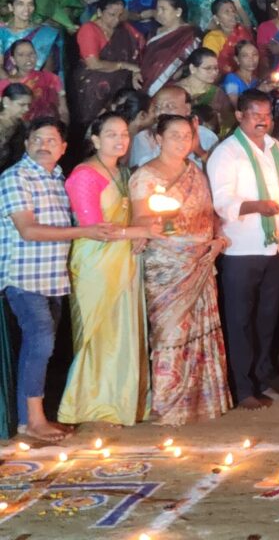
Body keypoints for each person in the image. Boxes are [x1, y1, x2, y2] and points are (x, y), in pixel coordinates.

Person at [1, 119, 118, 440]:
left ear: (64, 148)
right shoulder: (15, 178)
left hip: (54, 278)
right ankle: (34, 421)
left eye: (52, 141)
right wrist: (85, 231)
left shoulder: (56, 179)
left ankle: (30, 419)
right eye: (37, 139)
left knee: (40, 346)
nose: (44, 145)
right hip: (24, 276)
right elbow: (29, 230)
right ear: (26, 143)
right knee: (40, 341)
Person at [129, 114, 232, 425]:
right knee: (170, 332)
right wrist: (159, 222)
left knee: (201, 331)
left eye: (187, 136)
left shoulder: (196, 172)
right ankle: (169, 402)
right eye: (174, 135)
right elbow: (139, 221)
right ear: (158, 139)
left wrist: (217, 238)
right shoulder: (145, 176)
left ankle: (202, 399)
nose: (181, 141)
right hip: (167, 266)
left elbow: (208, 212)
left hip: (201, 260)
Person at [56, 113, 152, 427]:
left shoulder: (123, 173)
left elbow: (134, 218)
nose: (120, 140)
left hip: (123, 260)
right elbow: (93, 228)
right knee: (99, 334)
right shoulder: (85, 174)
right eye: (111, 134)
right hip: (95, 263)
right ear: (95, 140)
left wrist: (139, 232)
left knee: (124, 331)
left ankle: (123, 402)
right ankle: (91, 405)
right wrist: (135, 234)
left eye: (124, 134)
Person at [207, 90, 279, 410]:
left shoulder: (275, 148)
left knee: (267, 319)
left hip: (274, 247)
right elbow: (223, 203)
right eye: (255, 114)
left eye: (267, 114)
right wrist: (259, 206)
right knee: (240, 321)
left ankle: (263, 378)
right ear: (240, 116)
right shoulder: (226, 153)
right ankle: (242, 389)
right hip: (242, 249)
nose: (263, 120)